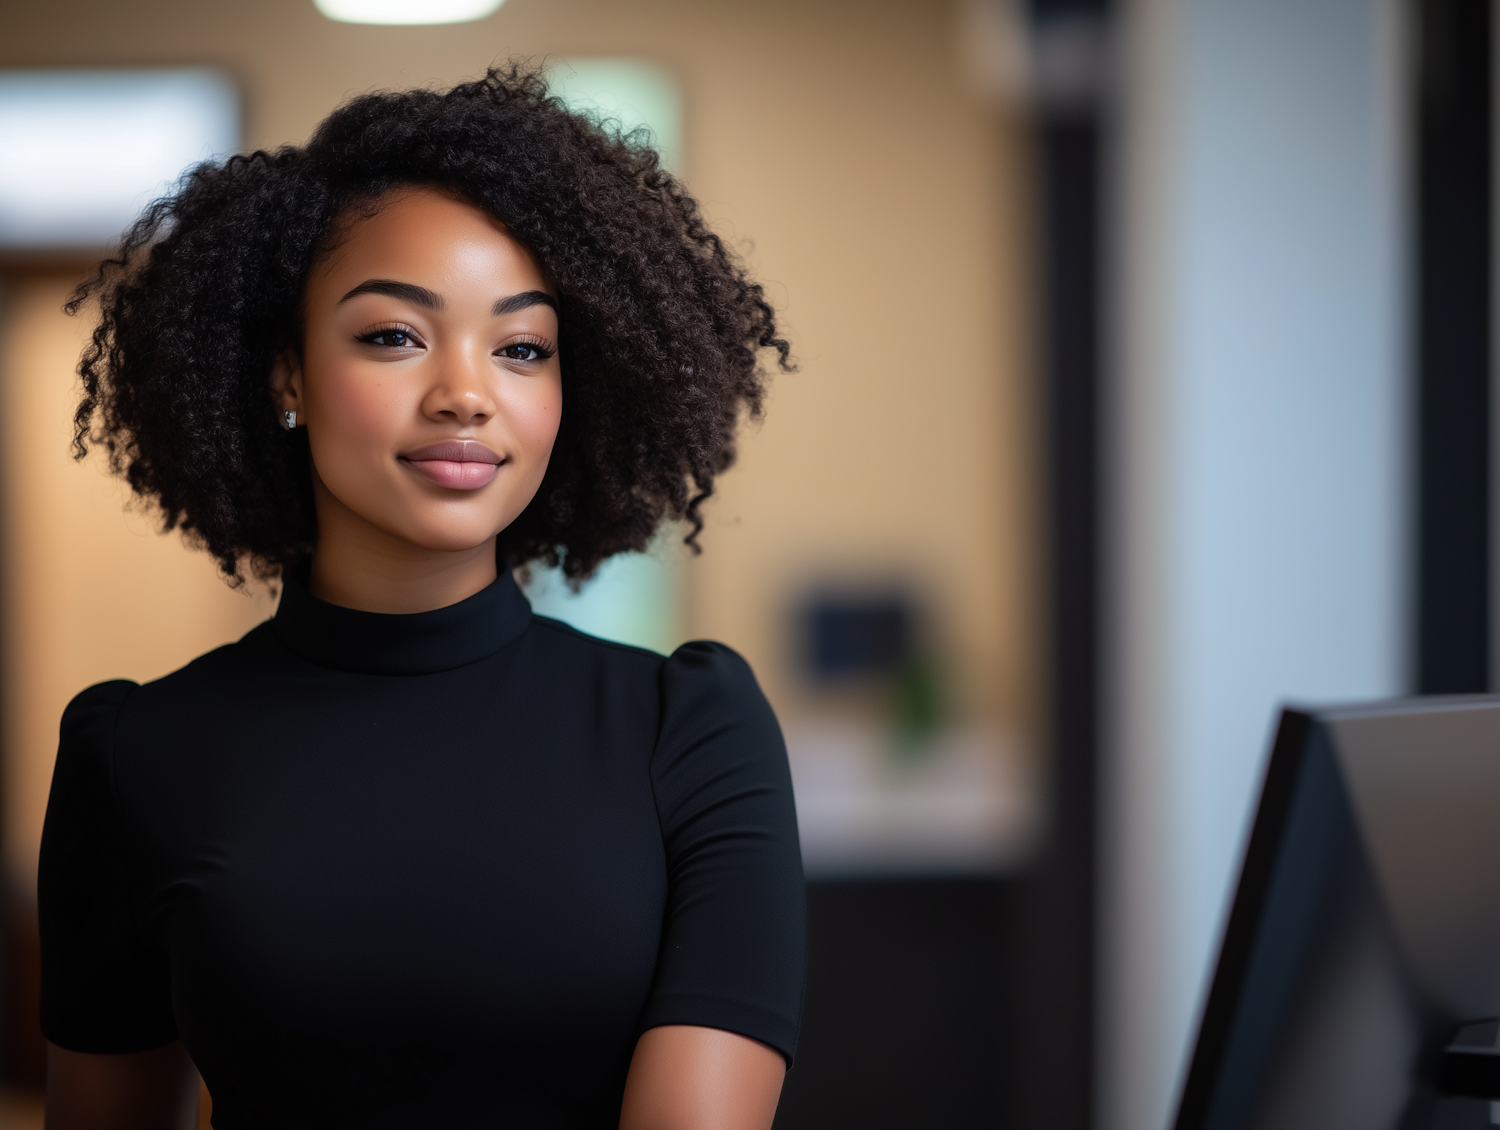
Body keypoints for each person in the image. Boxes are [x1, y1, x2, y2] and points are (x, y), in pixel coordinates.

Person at [37, 66, 804, 1130]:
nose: (465, 392)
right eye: (394, 334)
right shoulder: (133, 752)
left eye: (523, 348)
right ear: (285, 375)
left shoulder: (689, 731)